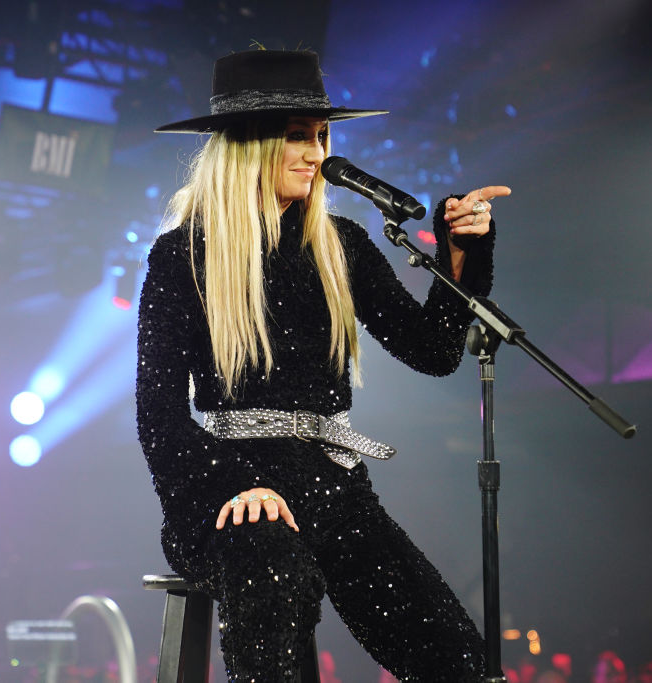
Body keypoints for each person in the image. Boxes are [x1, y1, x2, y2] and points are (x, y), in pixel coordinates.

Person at [137, 49, 510, 682]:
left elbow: (433, 351)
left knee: (454, 655)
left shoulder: (342, 244)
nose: (315, 153)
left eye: (320, 136)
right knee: (269, 571)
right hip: (230, 491)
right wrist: (234, 489)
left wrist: (463, 257)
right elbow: (160, 415)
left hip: (333, 485)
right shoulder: (183, 257)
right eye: (296, 137)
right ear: (248, 146)